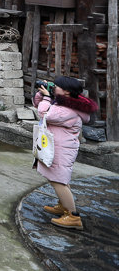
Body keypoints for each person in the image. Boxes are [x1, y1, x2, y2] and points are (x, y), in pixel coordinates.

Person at [33, 76, 98, 230]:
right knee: (58, 178)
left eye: (56, 86)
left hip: (61, 149)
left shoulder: (68, 109)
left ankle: (73, 217)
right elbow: (39, 105)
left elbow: (45, 114)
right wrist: (42, 96)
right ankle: (64, 206)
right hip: (57, 147)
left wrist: (48, 98)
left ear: (67, 92)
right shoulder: (64, 102)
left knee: (59, 181)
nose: (54, 87)